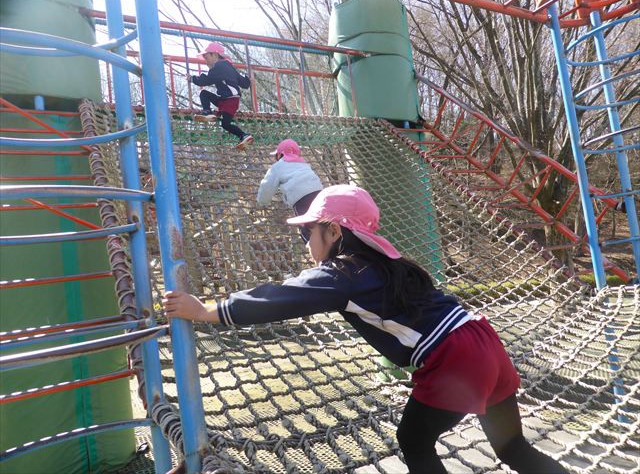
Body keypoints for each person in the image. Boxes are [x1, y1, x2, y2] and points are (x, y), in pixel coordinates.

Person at [163, 184, 568, 474]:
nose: (305, 241)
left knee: (413, 441)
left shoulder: (344, 272)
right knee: (512, 446)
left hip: (455, 358)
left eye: (308, 231)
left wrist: (208, 310)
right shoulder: (387, 263)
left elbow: (284, 297)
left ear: (334, 231)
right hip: (482, 339)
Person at [188, 41, 253, 149]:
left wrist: (192, 78)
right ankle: (207, 112)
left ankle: (244, 135)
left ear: (215, 54)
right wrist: (248, 79)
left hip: (230, 101)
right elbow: (244, 84)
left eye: (206, 57)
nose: (206, 61)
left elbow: (206, 80)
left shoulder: (219, 66)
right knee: (204, 94)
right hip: (225, 100)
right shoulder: (229, 67)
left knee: (225, 124)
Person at [257, 138, 323, 220]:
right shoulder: (304, 164)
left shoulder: (277, 167)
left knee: (305, 222)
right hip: (318, 193)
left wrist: (262, 202)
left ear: (279, 155)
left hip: (300, 198)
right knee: (320, 219)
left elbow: (267, 186)